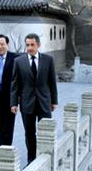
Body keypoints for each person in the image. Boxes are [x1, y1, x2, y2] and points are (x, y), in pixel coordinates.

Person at [10, 33, 58, 165]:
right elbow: (15, 84)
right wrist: (13, 103)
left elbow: (52, 82)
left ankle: (46, 157)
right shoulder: (18, 61)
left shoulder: (48, 60)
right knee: (29, 133)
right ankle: (31, 159)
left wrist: (54, 101)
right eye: (27, 45)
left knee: (46, 131)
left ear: (38, 45)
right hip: (26, 103)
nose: (30, 47)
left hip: (44, 102)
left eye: (32, 45)